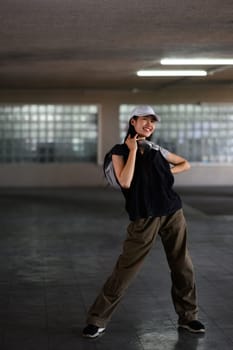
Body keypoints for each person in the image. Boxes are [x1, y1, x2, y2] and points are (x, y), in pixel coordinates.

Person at [83, 105, 205, 338]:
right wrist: (131, 150)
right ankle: (97, 319)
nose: (150, 124)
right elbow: (126, 182)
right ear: (133, 122)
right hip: (144, 217)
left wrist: (168, 173)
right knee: (125, 270)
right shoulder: (118, 152)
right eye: (145, 120)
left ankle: (189, 318)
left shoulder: (156, 148)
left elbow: (184, 163)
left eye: (153, 121)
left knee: (183, 266)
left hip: (172, 212)